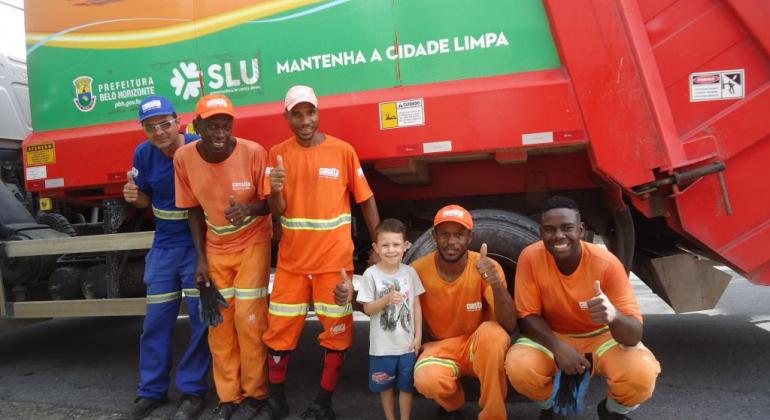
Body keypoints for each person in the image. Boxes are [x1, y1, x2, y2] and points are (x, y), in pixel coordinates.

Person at [259, 85, 380, 420]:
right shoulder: (277, 154)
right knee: (279, 332)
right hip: (292, 264)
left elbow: (365, 199)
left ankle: (323, 404)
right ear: (286, 117)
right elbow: (277, 210)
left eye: (309, 112)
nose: (304, 120)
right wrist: (277, 188)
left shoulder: (343, 151)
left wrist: (380, 246)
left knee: (337, 332)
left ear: (318, 112)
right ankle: (277, 402)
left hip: (333, 264)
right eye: (296, 114)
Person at [504, 196, 661, 420]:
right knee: (519, 366)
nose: (558, 236)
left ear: (581, 229)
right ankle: (551, 406)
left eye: (567, 228)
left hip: (600, 337)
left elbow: (633, 335)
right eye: (550, 229)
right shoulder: (530, 257)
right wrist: (559, 348)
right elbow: (527, 316)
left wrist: (613, 315)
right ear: (541, 233)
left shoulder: (606, 263)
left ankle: (612, 411)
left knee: (641, 374)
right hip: (554, 336)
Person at [173, 94, 273, 420]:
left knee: (249, 319)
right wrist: (200, 260)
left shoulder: (254, 152)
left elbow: (273, 204)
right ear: (196, 125)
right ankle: (229, 397)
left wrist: (248, 210)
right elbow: (192, 212)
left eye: (226, 125)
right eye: (212, 125)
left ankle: (255, 395)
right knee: (219, 325)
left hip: (253, 242)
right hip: (215, 249)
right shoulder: (184, 158)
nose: (220, 132)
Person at [124, 95, 210, 420]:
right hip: (164, 248)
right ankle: (151, 391)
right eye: (150, 127)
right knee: (156, 322)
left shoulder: (199, 147)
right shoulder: (143, 154)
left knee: (202, 321)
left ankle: (193, 391)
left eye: (164, 123)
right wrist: (135, 197)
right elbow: (145, 199)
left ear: (178, 121)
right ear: (143, 130)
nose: (159, 131)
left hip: (196, 246)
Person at [410, 205, 516, 420]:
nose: (451, 242)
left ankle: (493, 414)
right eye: (444, 234)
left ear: (470, 237)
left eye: (459, 235)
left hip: (476, 345)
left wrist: (495, 284)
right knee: (425, 379)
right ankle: (453, 405)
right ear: (434, 237)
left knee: (494, 334)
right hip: (440, 348)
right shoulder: (417, 270)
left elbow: (510, 325)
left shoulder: (486, 266)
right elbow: (394, 308)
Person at [357, 218, 424, 420]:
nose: (391, 250)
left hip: (407, 346)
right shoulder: (371, 275)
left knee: (406, 388)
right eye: (385, 245)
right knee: (384, 387)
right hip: (381, 348)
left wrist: (418, 335)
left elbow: (416, 305)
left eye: (396, 245)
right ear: (376, 248)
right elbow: (367, 309)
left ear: (405, 246)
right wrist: (386, 299)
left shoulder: (410, 273)